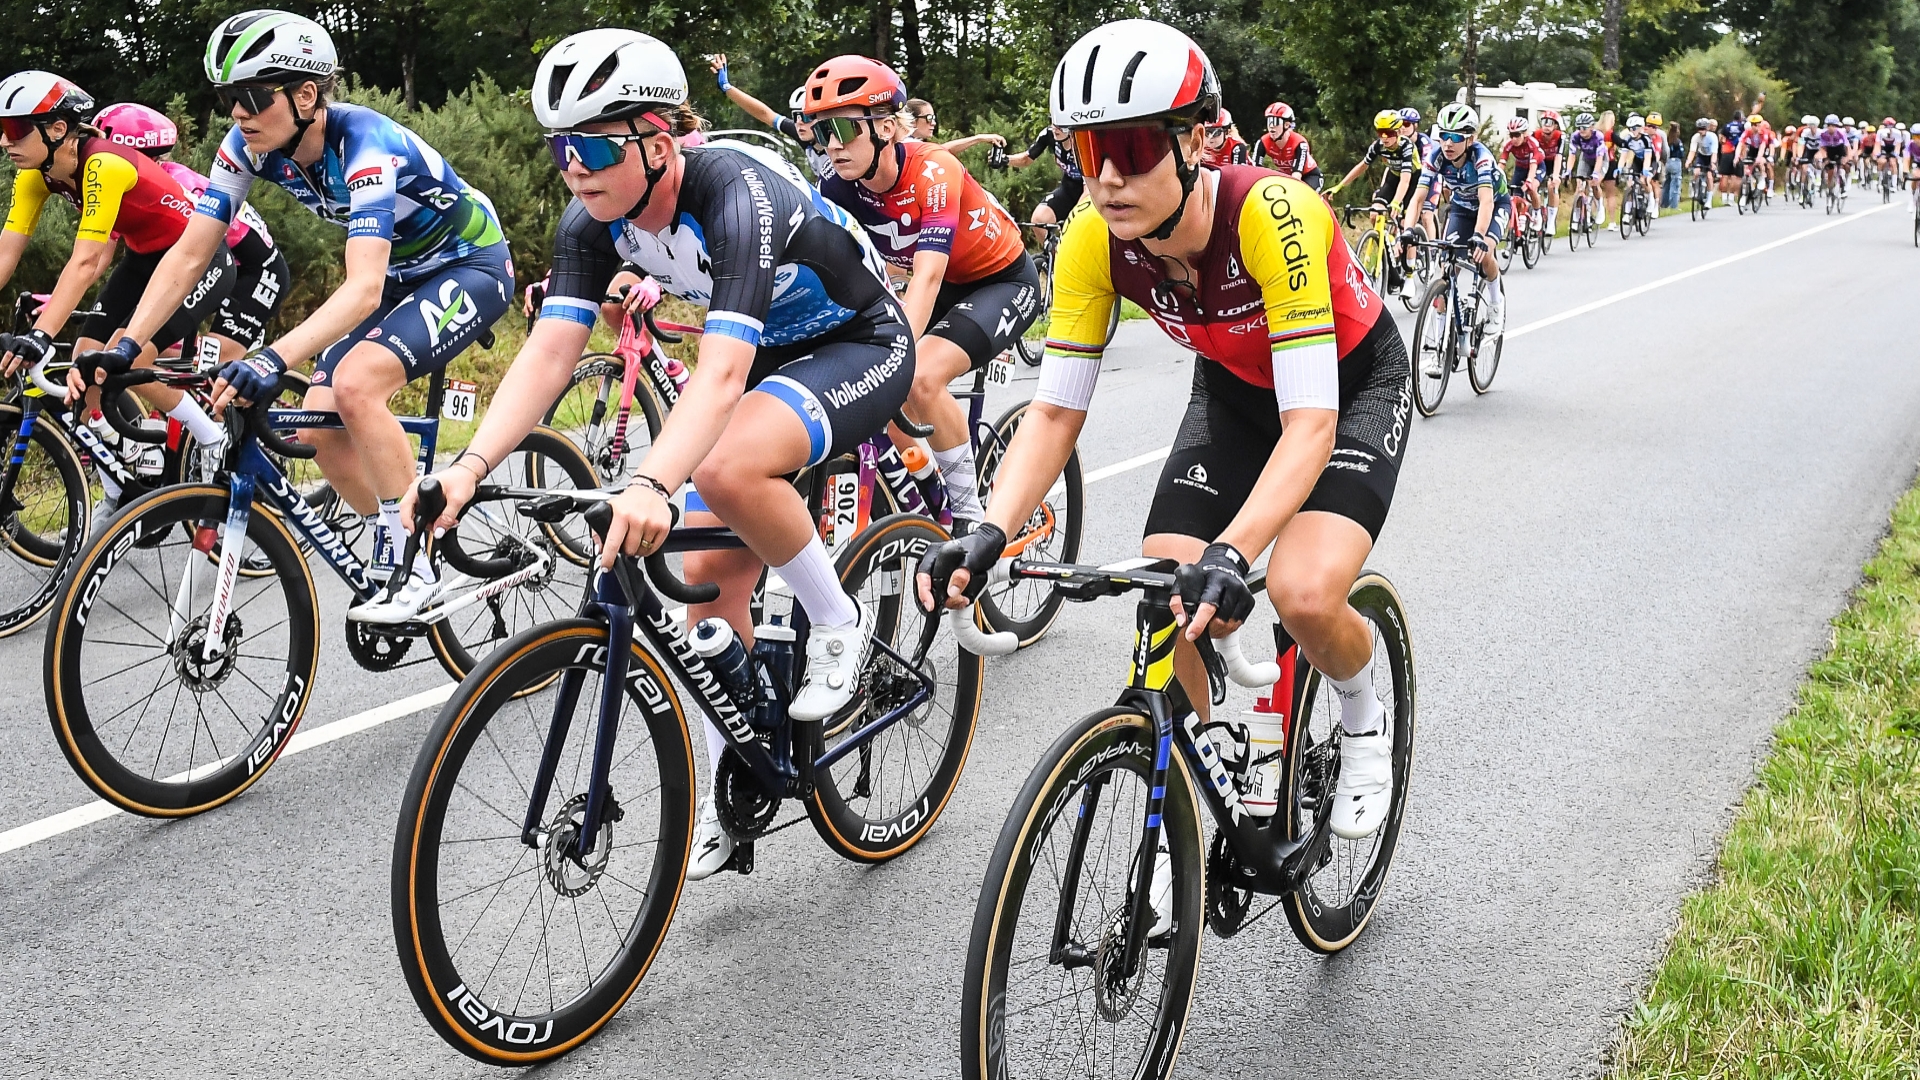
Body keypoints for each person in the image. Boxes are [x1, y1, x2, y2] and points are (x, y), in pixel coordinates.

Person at [409, 30, 910, 879]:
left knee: (719, 468)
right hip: (767, 361)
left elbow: (716, 378)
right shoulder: (591, 220)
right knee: (709, 591)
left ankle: (837, 617)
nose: (575, 166)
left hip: (856, 342)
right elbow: (547, 355)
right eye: (560, 147)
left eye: (594, 144)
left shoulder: (734, 190)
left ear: (658, 136)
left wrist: (649, 480)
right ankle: (734, 785)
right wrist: (467, 469)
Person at [919, 19, 1412, 855]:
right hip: (1231, 392)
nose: (1108, 178)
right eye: (1086, 152)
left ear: (1194, 144)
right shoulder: (1090, 238)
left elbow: (1311, 425)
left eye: (1135, 147)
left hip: (1349, 387)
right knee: (1165, 587)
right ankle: (1203, 775)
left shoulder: (1274, 216)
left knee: (1299, 591)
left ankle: (1364, 714)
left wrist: (1234, 552)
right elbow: (1052, 413)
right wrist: (989, 531)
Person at [83, 10, 513, 619]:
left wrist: (272, 355)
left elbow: (361, 289)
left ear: (305, 94)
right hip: (395, 275)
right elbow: (191, 251)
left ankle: (411, 565)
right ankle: (408, 534)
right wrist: (127, 344)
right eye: (229, 98)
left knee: (357, 386)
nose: (237, 113)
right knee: (318, 432)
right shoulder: (248, 147)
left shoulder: (365, 145)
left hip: (467, 263)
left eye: (251, 97)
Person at [807, 55, 1038, 527]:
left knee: (916, 376)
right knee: (871, 391)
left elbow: (928, 276)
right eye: (820, 132)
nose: (832, 145)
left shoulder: (933, 171)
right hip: (942, 285)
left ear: (888, 128)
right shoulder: (835, 186)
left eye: (844, 130)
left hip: (1001, 280)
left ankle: (972, 523)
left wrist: (892, 360)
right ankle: (932, 488)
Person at [0, 72, 242, 519]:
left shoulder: (104, 165)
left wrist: (40, 333)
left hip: (199, 258)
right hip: (144, 259)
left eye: (14, 129)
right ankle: (120, 479)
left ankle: (209, 434)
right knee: (85, 359)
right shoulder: (37, 175)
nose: (3, 140)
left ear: (57, 129)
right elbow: (6, 253)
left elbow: (88, 261)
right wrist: (45, 332)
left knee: (130, 358)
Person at [93, 102, 289, 366]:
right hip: (205, 260)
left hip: (254, 269)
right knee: (130, 349)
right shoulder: (124, 189)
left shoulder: (178, 184)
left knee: (214, 362)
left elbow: (197, 255)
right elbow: (100, 250)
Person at [1403, 100, 1509, 368]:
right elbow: (1417, 198)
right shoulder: (1437, 156)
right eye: (1443, 136)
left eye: (1455, 138)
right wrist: (1406, 230)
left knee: (1484, 252)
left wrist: (1479, 236)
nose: (1447, 143)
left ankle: (1496, 304)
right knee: (1444, 272)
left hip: (1494, 206)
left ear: (1470, 139)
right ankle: (1438, 348)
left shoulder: (1482, 158)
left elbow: (1486, 202)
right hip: (1462, 208)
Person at [707, 55, 833, 180]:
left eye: (806, 117)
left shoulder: (838, 139)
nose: (799, 122)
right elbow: (765, 114)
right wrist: (727, 87)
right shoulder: (804, 134)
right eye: (796, 116)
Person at [995, 123, 1084, 239]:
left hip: (1091, 191)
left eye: (1061, 125)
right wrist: (1003, 159)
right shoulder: (1049, 134)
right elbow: (1026, 159)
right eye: (1053, 122)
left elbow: (1091, 185)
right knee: (1039, 220)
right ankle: (1055, 255)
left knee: (1076, 225)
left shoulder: (1083, 140)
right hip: (1068, 188)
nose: (1055, 129)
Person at [1253, 101, 1322, 189]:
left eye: (1275, 122)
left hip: (1309, 176)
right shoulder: (1263, 142)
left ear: (1286, 125)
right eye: (1269, 121)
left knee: (1300, 194)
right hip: (1287, 176)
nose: (1271, 126)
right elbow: (1255, 170)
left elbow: (1296, 175)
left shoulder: (1299, 143)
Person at [1568, 112, 1608, 226]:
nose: (1581, 130)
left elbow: (1600, 157)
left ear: (1591, 127)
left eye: (1584, 127)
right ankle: (1577, 215)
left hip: (1600, 159)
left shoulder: (1598, 136)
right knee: (1579, 186)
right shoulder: (1575, 136)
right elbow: (1572, 154)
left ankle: (1600, 206)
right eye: (1579, 127)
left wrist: (1595, 173)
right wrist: (1568, 170)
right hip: (1585, 159)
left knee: (1595, 183)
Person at [1532, 109, 1566, 232]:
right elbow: (1532, 156)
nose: (1546, 126)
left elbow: (1559, 156)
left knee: (1552, 186)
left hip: (1554, 162)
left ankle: (1551, 221)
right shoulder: (1535, 135)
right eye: (1544, 122)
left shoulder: (1560, 137)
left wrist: (1556, 176)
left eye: (1550, 123)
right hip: (1540, 161)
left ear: (1556, 125)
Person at [1683, 117, 1719, 205]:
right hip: (1701, 156)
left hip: (1711, 156)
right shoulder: (1696, 137)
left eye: (1703, 129)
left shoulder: (1712, 137)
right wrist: (1688, 161)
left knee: (1709, 176)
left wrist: (1713, 163)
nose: (1700, 131)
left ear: (1707, 128)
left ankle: (1709, 200)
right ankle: (1694, 187)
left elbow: (1714, 152)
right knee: (1696, 172)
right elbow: (1692, 151)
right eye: (1699, 129)